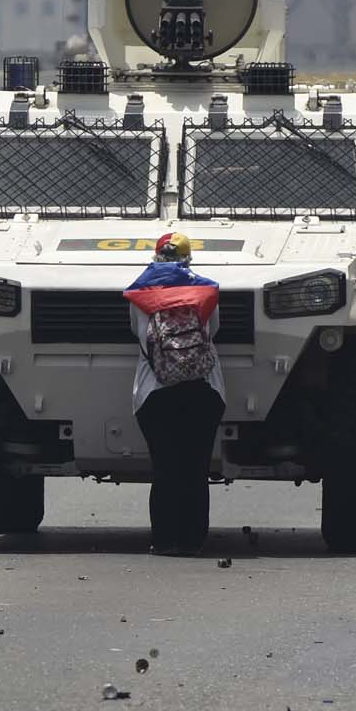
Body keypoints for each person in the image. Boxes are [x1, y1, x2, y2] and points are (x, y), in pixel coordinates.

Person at [123, 233, 227, 555]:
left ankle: (166, 540)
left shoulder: (139, 294)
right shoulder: (206, 291)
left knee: (165, 467)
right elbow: (214, 331)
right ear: (188, 259)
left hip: (155, 392)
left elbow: (137, 335)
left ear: (156, 257)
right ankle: (193, 540)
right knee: (196, 468)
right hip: (204, 388)